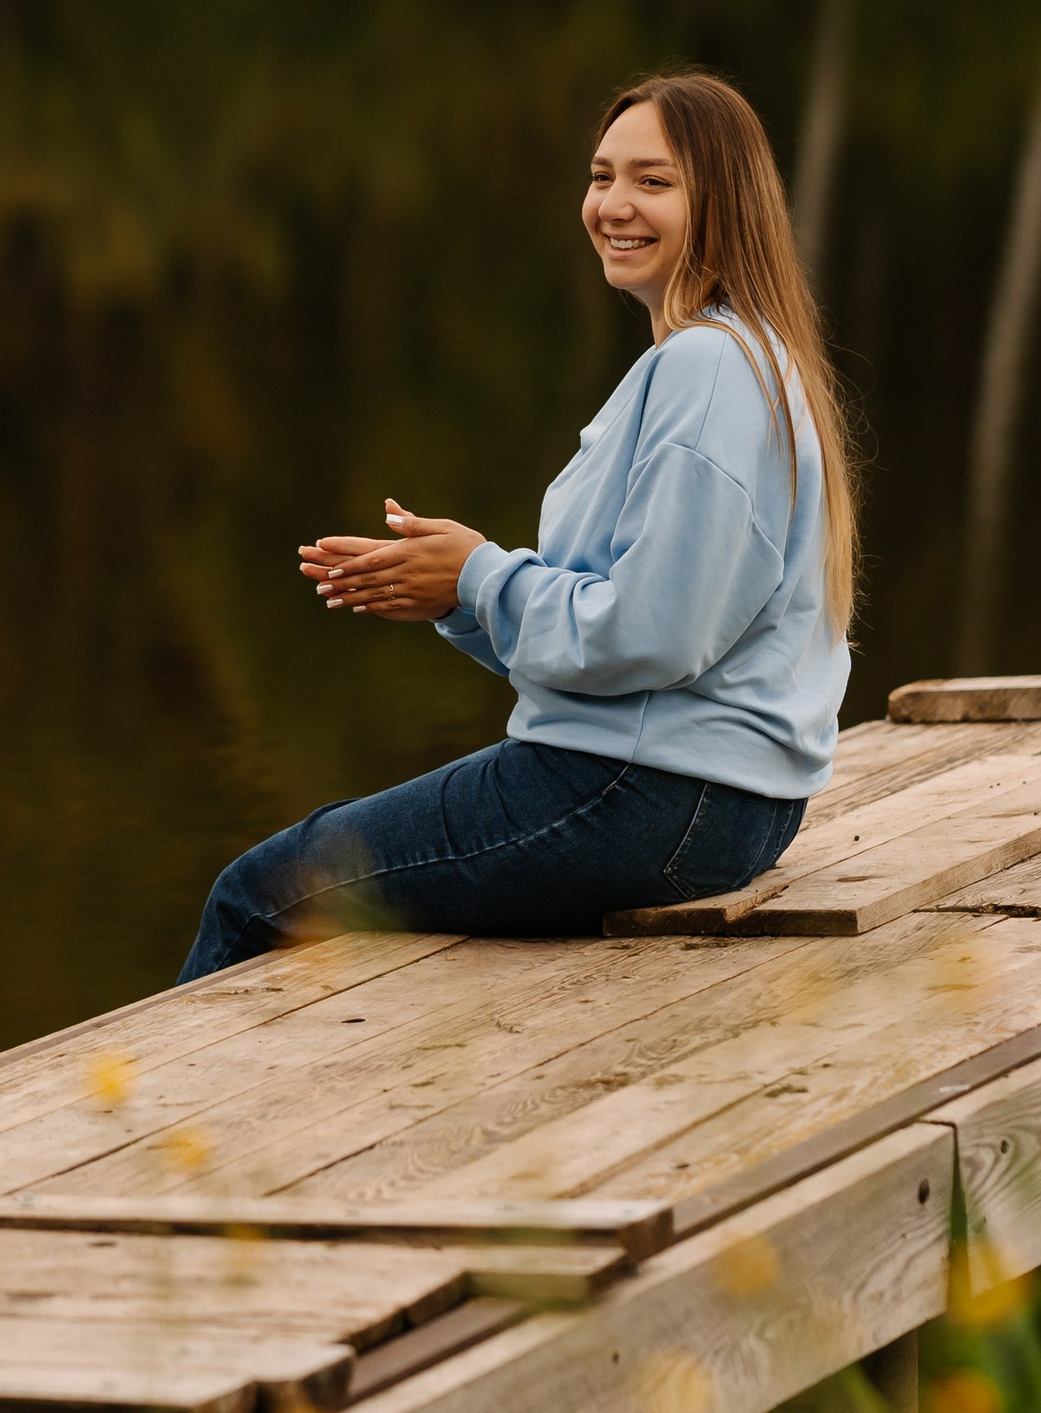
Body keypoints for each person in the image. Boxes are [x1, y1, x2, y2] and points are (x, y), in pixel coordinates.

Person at [175, 68, 854, 981]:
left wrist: (481, 577)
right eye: (601, 174)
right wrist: (459, 596)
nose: (614, 204)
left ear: (723, 203)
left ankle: (172, 1128)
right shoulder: (753, 357)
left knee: (262, 895)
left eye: (654, 181)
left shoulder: (706, 370)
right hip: (721, 802)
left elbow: (653, 637)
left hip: (647, 795)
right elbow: (641, 648)